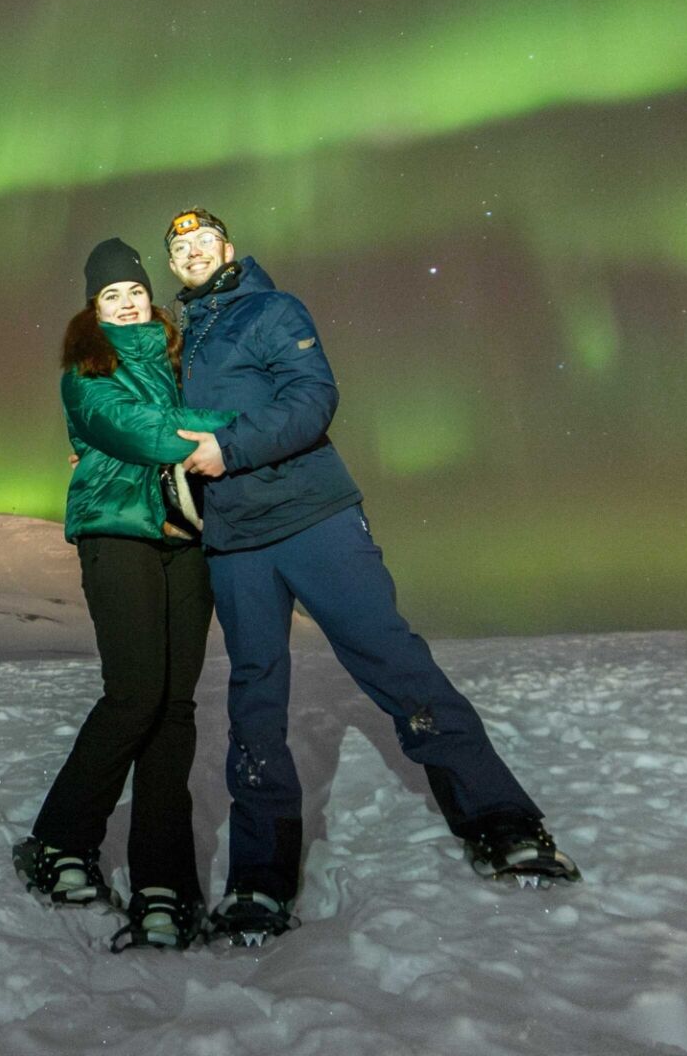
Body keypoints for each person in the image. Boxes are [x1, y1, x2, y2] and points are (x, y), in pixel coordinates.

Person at [163, 207, 579, 946]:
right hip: (235, 541)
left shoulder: (271, 309)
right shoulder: (179, 341)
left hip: (313, 518)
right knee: (255, 696)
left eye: (203, 241)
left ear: (227, 248)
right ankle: (260, 879)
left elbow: (312, 398)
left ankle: (502, 820)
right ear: (173, 266)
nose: (192, 252)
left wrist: (230, 448)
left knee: (391, 658)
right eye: (180, 248)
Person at [13, 237, 236, 952]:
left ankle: (163, 883)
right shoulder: (86, 372)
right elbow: (142, 432)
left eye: (135, 290)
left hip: (186, 541)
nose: (129, 302)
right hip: (118, 533)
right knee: (135, 694)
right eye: (112, 295)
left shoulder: (181, 362)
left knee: (174, 708)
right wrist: (243, 433)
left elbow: (216, 398)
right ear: (95, 308)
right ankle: (59, 841)